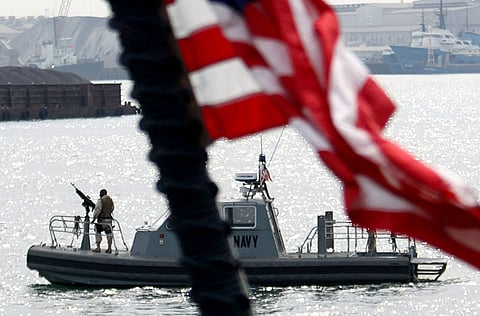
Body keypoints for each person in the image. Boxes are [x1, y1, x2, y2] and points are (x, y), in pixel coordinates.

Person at [91, 189, 114, 253]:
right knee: (109, 233)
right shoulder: (110, 200)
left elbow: (98, 210)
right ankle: (109, 248)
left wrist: (94, 218)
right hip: (109, 220)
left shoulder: (100, 200)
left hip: (102, 220)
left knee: (97, 230)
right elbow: (112, 209)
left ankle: (98, 247)